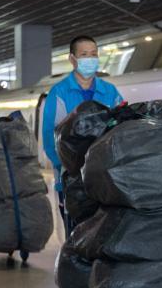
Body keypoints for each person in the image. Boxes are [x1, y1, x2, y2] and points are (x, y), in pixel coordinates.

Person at [41, 35, 123, 229]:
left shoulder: (110, 91)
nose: (90, 59)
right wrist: (67, 169)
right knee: (76, 233)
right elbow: (49, 136)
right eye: (84, 54)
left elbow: (121, 127)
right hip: (71, 181)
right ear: (72, 59)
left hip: (105, 178)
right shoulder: (59, 92)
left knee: (104, 232)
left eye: (94, 54)